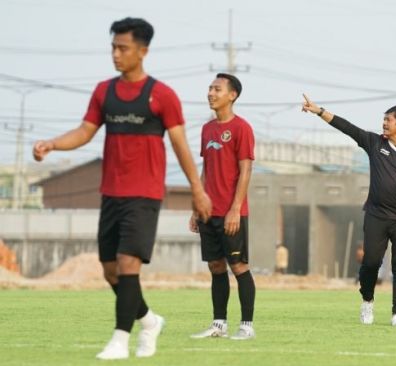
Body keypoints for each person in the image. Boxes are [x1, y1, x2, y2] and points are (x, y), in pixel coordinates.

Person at [32, 17, 212, 359]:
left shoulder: (162, 96)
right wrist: (52, 144)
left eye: (123, 48)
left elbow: (180, 146)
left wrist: (197, 190)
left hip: (144, 194)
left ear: (142, 51)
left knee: (129, 263)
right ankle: (149, 320)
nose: (116, 54)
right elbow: (85, 132)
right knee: (111, 270)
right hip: (111, 193)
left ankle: (119, 340)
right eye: (113, 47)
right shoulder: (104, 91)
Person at [301, 94, 396, 327]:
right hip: (376, 215)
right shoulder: (375, 143)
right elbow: (347, 127)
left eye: (388, 120)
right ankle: (367, 302)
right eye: (384, 119)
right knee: (370, 262)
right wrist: (319, 111)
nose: (384, 123)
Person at [189, 73, 256, 340]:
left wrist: (235, 208)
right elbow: (206, 169)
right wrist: (197, 205)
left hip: (232, 213)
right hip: (209, 212)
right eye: (209, 88)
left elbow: (246, 169)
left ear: (232, 95)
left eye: (217, 89)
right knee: (216, 267)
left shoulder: (242, 128)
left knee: (239, 267)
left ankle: (247, 326)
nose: (210, 93)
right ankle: (219, 325)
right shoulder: (207, 129)